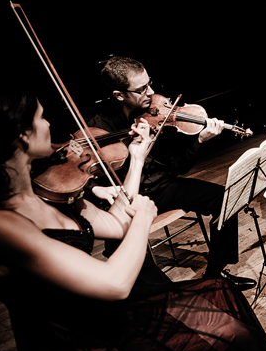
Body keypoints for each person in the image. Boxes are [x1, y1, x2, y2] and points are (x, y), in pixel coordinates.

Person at [0, 85, 266, 351]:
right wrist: (144, 218)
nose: (50, 125)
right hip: (83, 346)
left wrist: (136, 159)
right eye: (41, 117)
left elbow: (116, 223)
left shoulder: (53, 192)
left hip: (104, 318)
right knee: (225, 335)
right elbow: (115, 283)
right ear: (22, 135)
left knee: (230, 319)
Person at [88, 56, 256, 291]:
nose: (151, 92)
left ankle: (215, 274)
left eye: (150, 83)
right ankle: (168, 297)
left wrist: (199, 140)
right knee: (126, 252)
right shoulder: (98, 128)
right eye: (142, 88)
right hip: (129, 202)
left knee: (224, 198)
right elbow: (87, 180)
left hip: (164, 187)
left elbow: (176, 167)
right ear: (119, 95)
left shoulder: (156, 113)